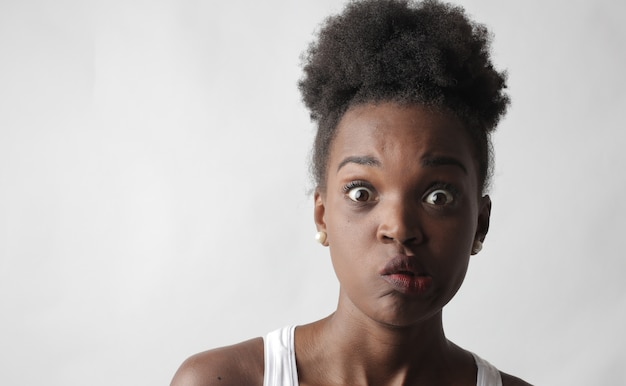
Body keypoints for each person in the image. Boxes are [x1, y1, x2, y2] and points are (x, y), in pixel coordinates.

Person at [171, 0, 531, 384]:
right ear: (322, 215)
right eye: (361, 193)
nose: (399, 228)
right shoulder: (221, 380)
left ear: (480, 223)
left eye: (437, 197)